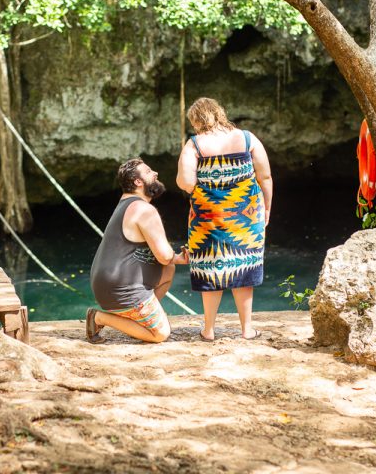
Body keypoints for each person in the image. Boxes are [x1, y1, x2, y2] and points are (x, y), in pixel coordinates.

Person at [176, 97, 273, 341]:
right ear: (219, 113)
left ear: (197, 120)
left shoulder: (195, 144)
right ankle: (246, 330)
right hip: (246, 216)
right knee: (244, 268)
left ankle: (208, 330)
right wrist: (267, 209)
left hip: (207, 219)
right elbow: (266, 177)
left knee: (211, 269)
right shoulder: (248, 138)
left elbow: (186, 183)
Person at [86, 158, 189, 344]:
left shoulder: (124, 204)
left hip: (104, 287)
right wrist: (178, 257)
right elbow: (165, 256)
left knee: (169, 270)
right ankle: (99, 318)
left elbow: (167, 262)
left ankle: (137, 319)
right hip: (122, 290)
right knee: (160, 334)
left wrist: (178, 259)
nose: (155, 173)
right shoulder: (144, 209)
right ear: (138, 182)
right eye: (149, 171)